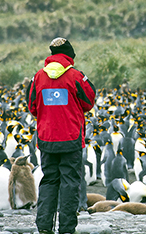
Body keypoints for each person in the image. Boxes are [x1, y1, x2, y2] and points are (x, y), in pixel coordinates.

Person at [27, 37, 96, 234]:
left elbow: (32, 107)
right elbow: (89, 101)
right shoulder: (76, 76)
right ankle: (66, 228)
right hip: (71, 138)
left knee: (49, 180)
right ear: (70, 55)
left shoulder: (38, 77)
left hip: (47, 138)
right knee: (70, 182)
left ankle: (44, 227)